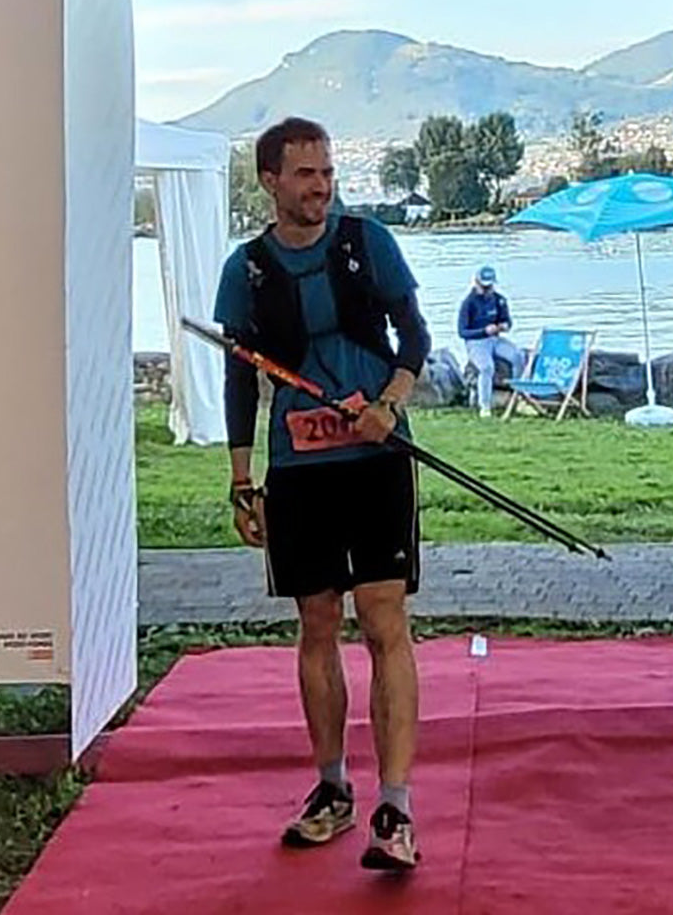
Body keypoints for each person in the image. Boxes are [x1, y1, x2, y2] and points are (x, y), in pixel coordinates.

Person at [213, 117, 431, 872]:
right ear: (269, 180)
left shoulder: (368, 242)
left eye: (328, 173)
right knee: (317, 622)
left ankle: (395, 808)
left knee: (382, 617)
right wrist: (242, 480)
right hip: (298, 470)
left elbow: (416, 338)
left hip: (376, 457)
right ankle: (332, 790)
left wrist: (390, 404)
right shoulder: (245, 270)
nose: (321, 187)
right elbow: (239, 379)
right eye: (306, 174)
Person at [457, 265, 525, 417]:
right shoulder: (468, 303)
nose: (487, 290)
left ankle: (519, 396)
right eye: (484, 287)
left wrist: (504, 326)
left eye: (490, 287)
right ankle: (485, 406)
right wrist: (483, 331)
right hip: (476, 342)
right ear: (476, 283)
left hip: (495, 339)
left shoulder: (499, 300)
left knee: (517, 355)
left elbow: (507, 320)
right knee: (486, 368)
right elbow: (462, 332)